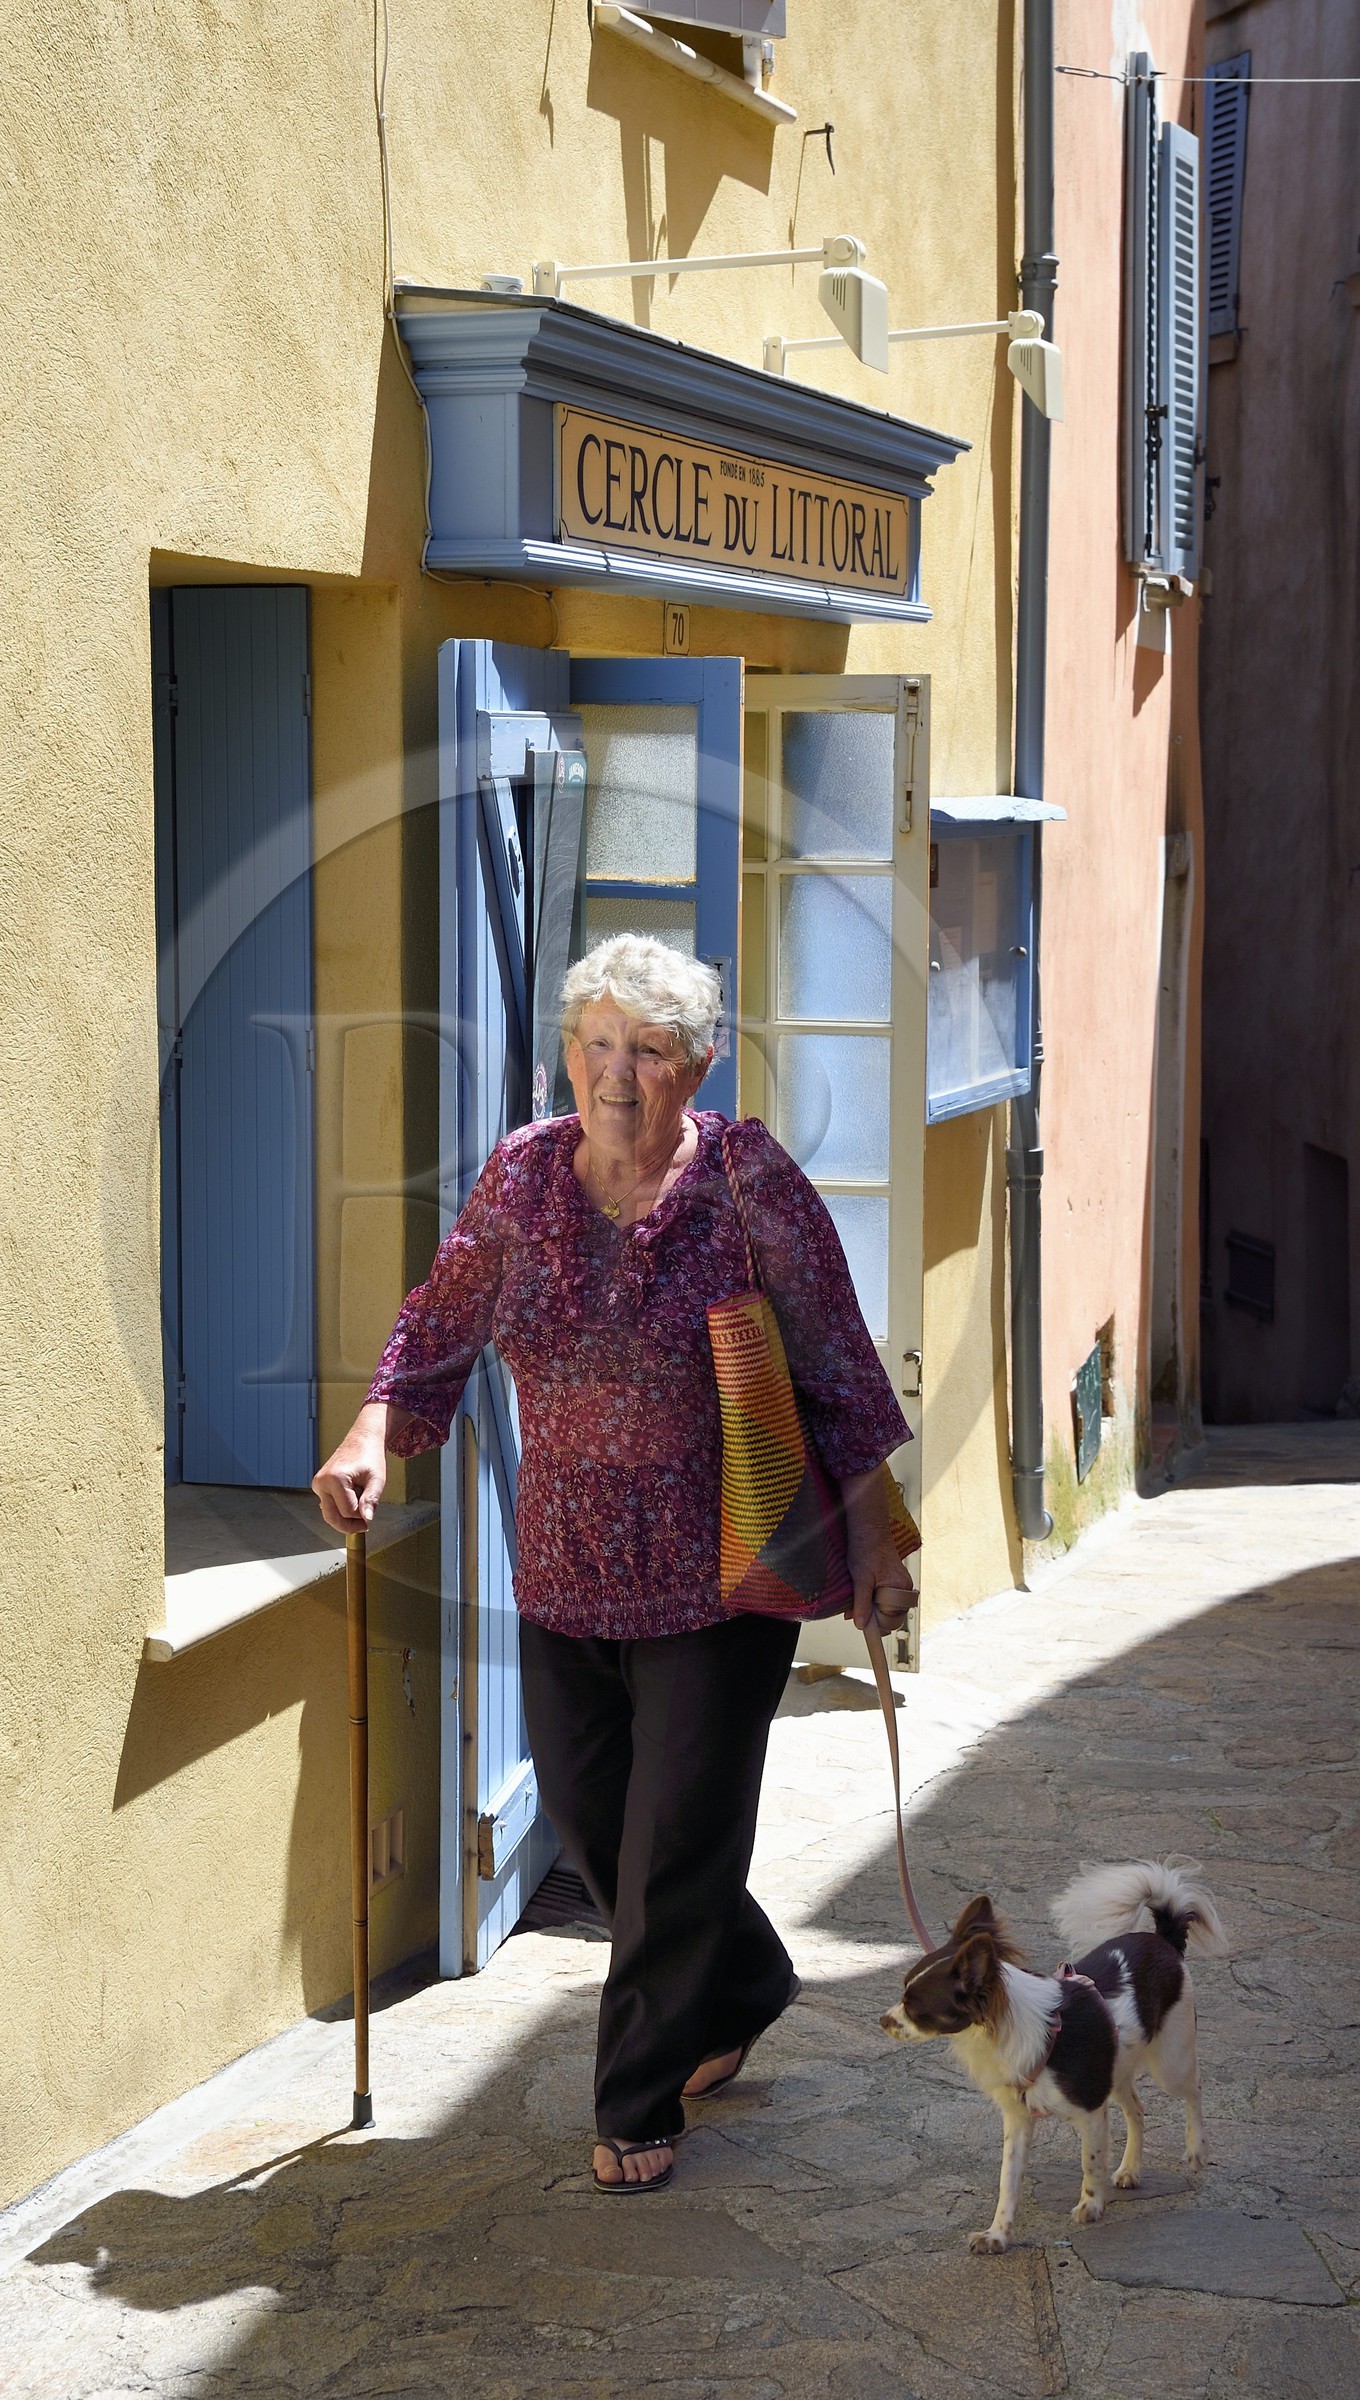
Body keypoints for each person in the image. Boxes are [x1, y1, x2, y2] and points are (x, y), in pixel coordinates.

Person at [314, 933, 914, 2193]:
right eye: (596, 1045)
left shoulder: (745, 1183)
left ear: (695, 1065)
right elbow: (439, 1326)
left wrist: (871, 1535)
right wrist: (377, 1430)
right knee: (596, 1832)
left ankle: (635, 2101)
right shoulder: (525, 1179)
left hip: (719, 1572)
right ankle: (744, 1976)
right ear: (567, 1057)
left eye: (647, 1050)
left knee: (673, 1847)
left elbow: (837, 1363)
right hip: (565, 1564)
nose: (617, 1074)